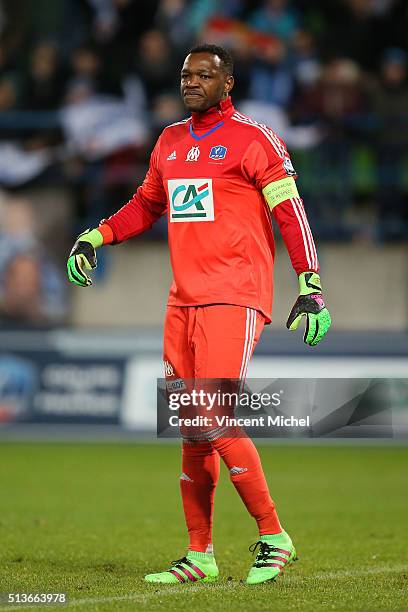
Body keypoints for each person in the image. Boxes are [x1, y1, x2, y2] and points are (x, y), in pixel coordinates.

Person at [67, 44, 331, 585]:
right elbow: (146, 204)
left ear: (226, 83)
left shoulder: (255, 140)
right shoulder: (168, 140)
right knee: (190, 428)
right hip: (182, 298)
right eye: (186, 74)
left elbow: (290, 211)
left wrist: (310, 284)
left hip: (235, 294)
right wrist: (95, 235)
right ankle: (200, 554)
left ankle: (273, 535)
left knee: (212, 413)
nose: (192, 82)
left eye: (204, 75)